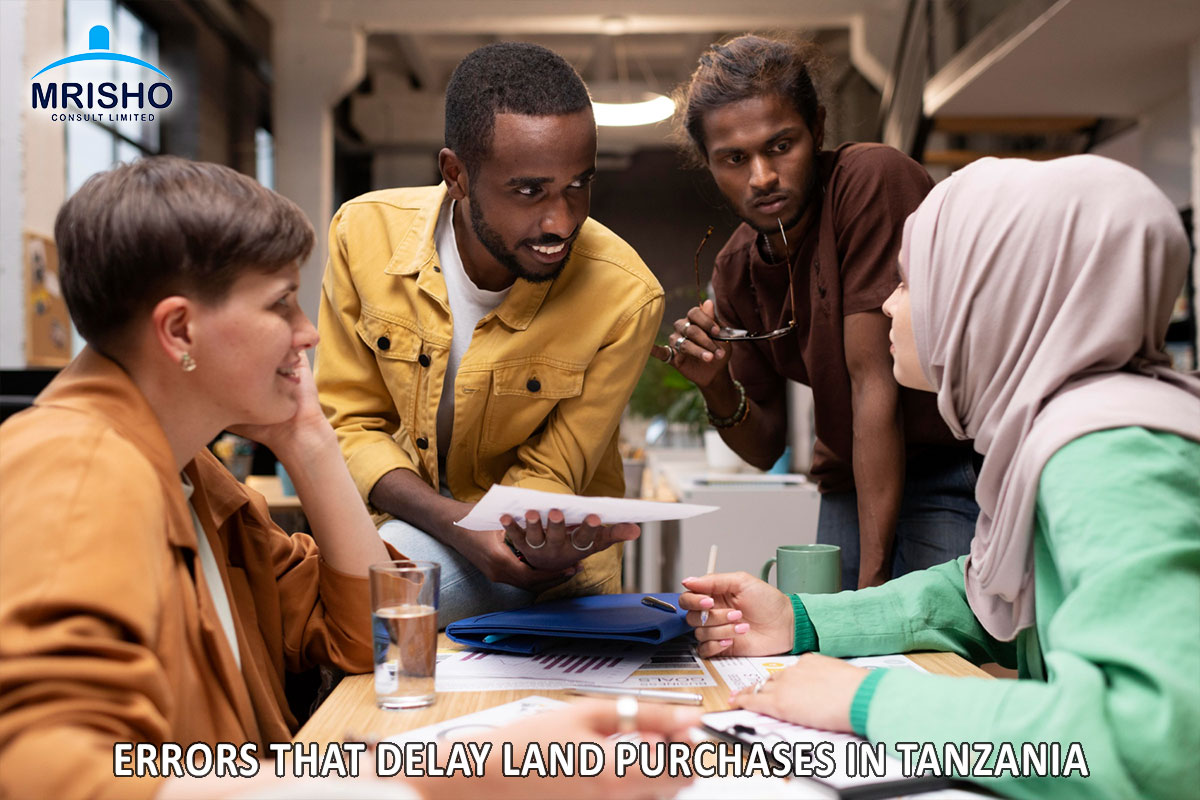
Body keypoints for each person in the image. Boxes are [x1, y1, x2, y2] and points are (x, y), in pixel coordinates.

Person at [0, 157, 697, 800]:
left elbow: (370, 637)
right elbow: (48, 778)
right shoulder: (77, 467)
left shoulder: (192, 473)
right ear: (179, 331)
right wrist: (445, 779)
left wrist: (309, 440)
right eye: (280, 304)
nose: (307, 333)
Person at [680, 155, 1200, 798]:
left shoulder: (1108, 451)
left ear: (993, 295)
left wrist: (867, 701)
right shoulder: (1060, 431)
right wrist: (799, 618)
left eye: (909, 281)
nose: (888, 304)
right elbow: (986, 596)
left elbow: (1150, 746)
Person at [317, 42, 664, 625]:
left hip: (546, 574)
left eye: (579, 185)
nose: (561, 222)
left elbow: (551, 474)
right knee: (357, 601)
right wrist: (455, 523)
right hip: (406, 535)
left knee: (372, 603)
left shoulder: (625, 295)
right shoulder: (363, 235)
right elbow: (350, 426)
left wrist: (513, 537)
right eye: (529, 191)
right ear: (456, 175)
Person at [661, 35, 979, 589]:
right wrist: (715, 387)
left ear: (818, 128)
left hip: (946, 467)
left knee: (931, 640)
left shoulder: (870, 180)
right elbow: (765, 448)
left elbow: (872, 381)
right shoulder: (735, 269)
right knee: (830, 640)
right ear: (709, 165)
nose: (761, 176)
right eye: (735, 159)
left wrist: (870, 592)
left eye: (781, 145)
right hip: (847, 483)